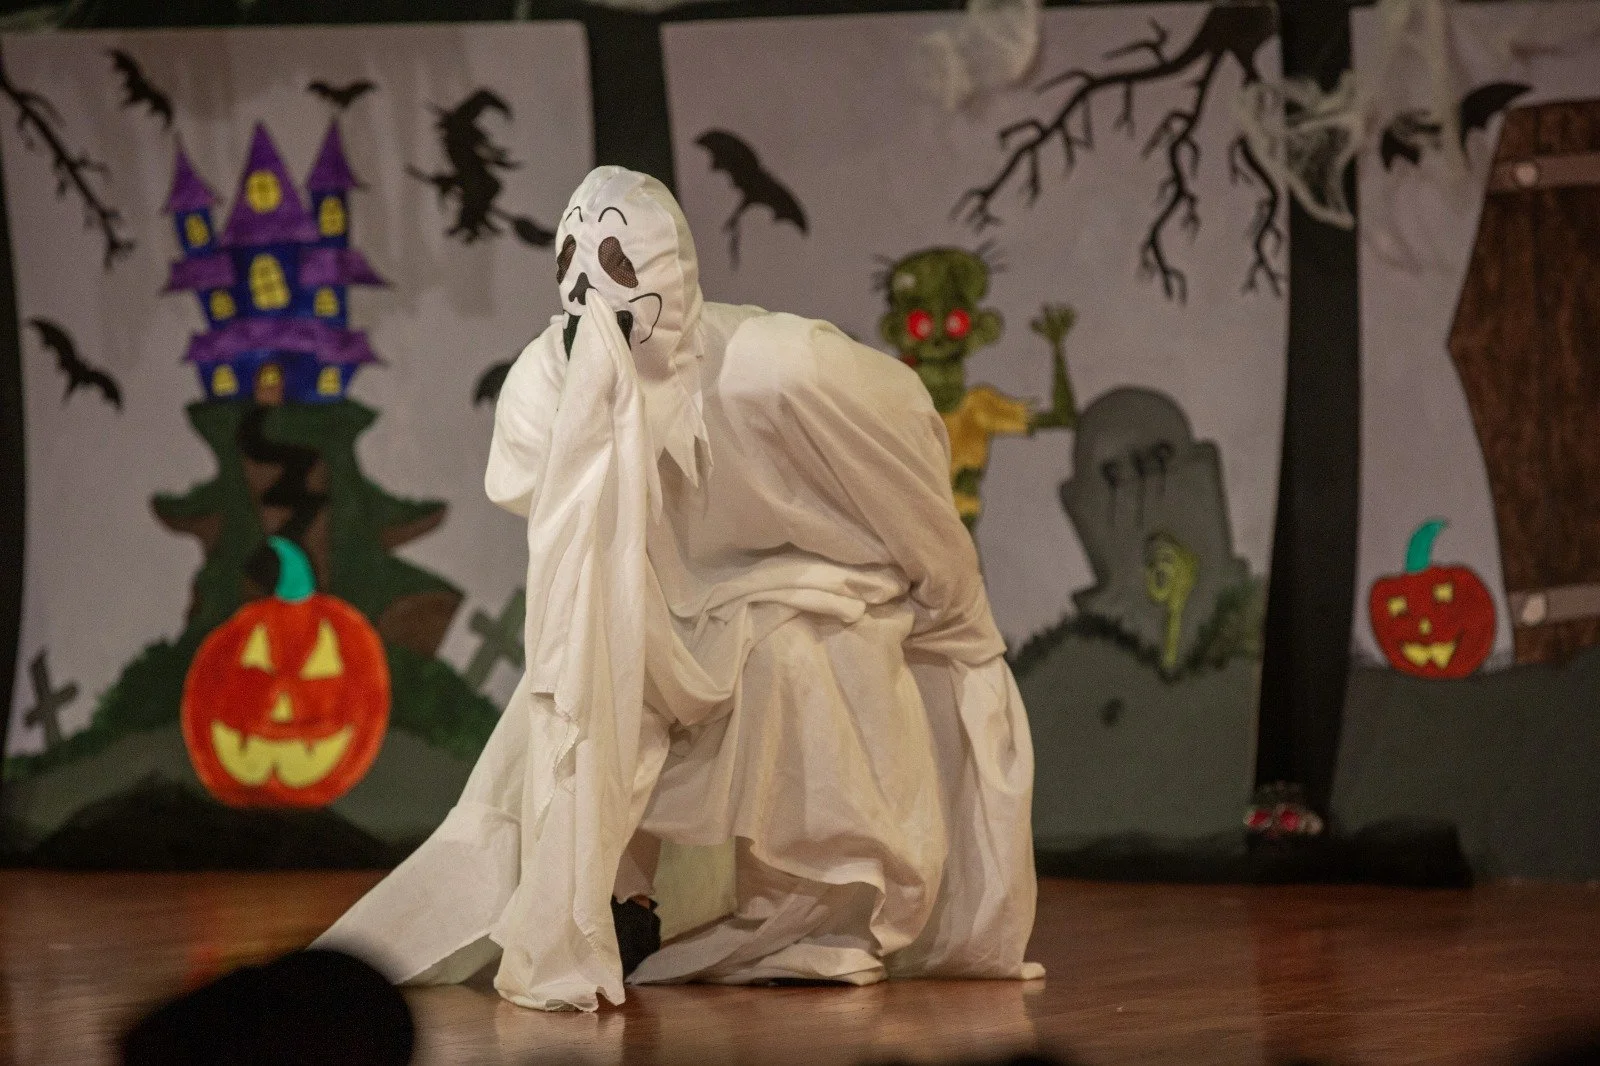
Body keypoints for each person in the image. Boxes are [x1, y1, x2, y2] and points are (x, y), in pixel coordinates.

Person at [316, 166, 1042, 1011]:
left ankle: (816, 916)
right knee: (595, 696)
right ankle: (620, 900)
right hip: (659, 600)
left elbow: (897, 453)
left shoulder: (779, 370)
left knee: (798, 666)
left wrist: (951, 601)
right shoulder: (546, 386)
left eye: (619, 263)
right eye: (573, 264)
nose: (590, 290)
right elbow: (568, 534)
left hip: (811, 578)